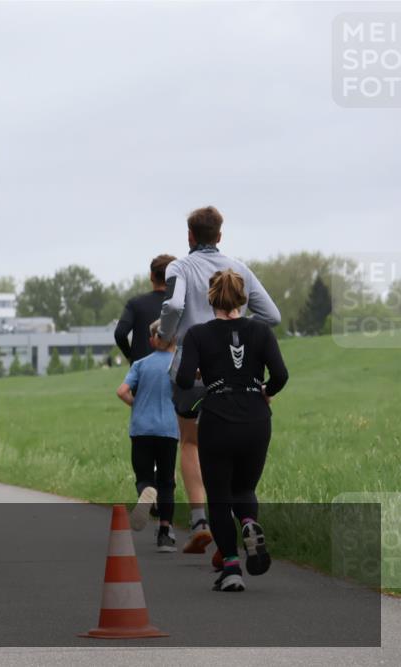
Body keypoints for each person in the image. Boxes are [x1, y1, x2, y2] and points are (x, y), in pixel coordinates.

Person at [159, 205, 281, 554]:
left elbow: (173, 306)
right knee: (234, 456)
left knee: (191, 444)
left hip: (192, 369)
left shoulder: (179, 267)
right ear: (220, 236)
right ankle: (237, 526)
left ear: (189, 236)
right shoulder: (238, 268)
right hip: (235, 375)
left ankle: (200, 520)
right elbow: (272, 314)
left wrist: (167, 335)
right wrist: (244, 332)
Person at [176, 269, 288, 592]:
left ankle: (231, 568)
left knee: (219, 497)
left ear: (211, 298)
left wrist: (203, 373)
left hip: (217, 418)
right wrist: (265, 390)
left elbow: (183, 379)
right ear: (243, 298)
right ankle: (249, 523)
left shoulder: (198, 334)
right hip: (256, 419)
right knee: (245, 489)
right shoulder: (261, 331)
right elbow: (281, 375)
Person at [115, 320, 180, 552]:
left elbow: (121, 391)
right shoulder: (178, 365)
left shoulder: (141, 364)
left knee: (144, 476)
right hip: (168, 429)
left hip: (141, 429)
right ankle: (164, 534)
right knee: (167, 482)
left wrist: (136, 403)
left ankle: (146, 493)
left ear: (154, 340)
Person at [115, 254, 176, 364]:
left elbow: (120, 333)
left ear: (151, 276)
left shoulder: (135, 304)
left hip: (142, 368)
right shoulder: (182, 305)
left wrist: (130, 357)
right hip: (174, 367)